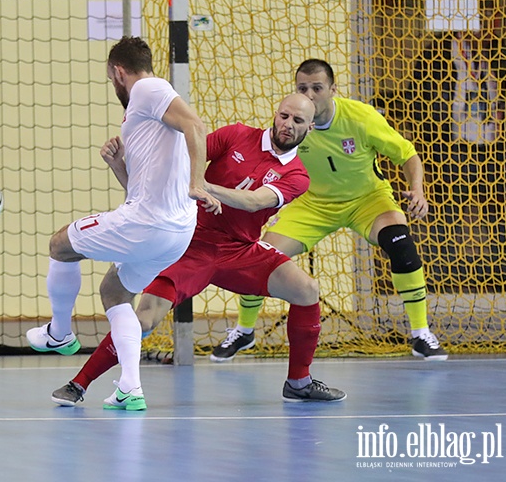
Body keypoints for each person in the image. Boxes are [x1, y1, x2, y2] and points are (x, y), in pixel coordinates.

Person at [51, 93, 347, 407]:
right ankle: (78, 383)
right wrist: (120, 165)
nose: (287, 125)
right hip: (189, 243)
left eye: (297, 121)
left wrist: (202, 187)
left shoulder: (297, 175)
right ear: (275, 114)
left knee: (306, 290)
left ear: (310, 127)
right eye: (284, 116)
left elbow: (255, 201)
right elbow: (177, 166)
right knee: (147, 318)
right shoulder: (236, 135)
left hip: (239, 251)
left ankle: (299, 382)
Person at [25, 36, 218, 411]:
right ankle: (130, 387)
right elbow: (142, 191)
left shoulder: (148, 88)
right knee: (115, 292)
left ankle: (60, 333)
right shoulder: (146, 114)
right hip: (174, 232)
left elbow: (196, 124)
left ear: (117, 72)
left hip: (149, 225)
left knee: (59, 245)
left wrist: (198, 181)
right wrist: (119, 167)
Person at [213, 59, 447, 363]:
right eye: (302, 88)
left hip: (368, 200)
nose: (309, 95)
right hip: (312, 205)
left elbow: (407, 155)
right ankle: (244, 331)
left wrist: (417, 190)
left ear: (333, 89)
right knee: (259, 255)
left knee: (401, 243)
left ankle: (420, 333)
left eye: (317, 88)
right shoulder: (294, 124)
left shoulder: (360, 118)